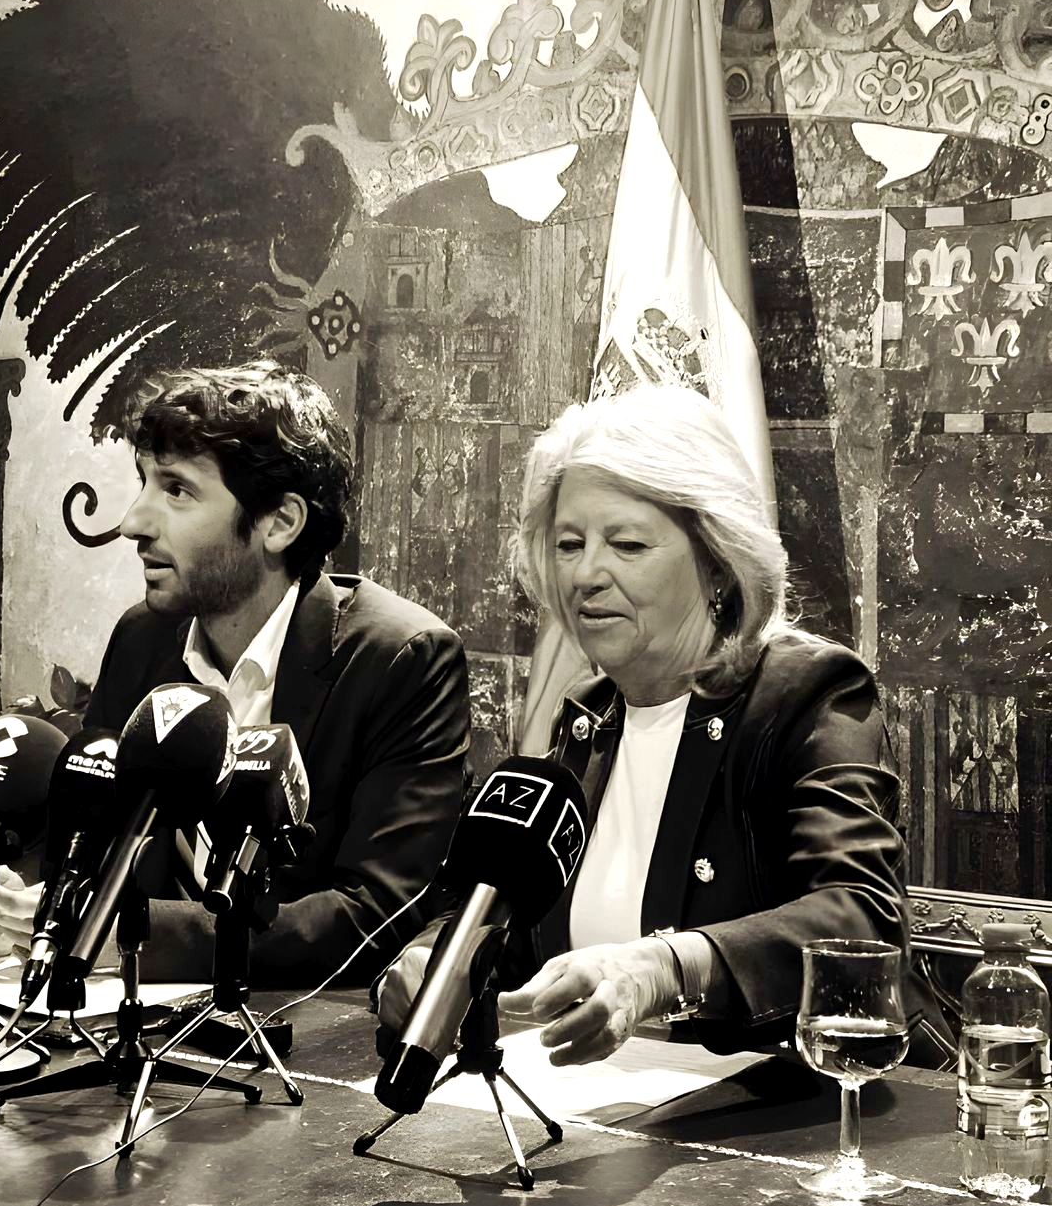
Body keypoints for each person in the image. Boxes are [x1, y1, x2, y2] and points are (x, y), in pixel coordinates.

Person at [376, 384, 936, 1063]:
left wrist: (666, 968)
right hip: (609, 1113)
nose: (586, 574)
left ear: (718, 563)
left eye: (628, 544)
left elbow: (861, 920)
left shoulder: (808, 693)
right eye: (569, 544)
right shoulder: (587, 718)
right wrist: (433, 962)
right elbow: (516, 928)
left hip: (812, 1103)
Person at [0, 361, 469, 985]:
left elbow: (373, 918)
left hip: (304, 1033)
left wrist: (129, 934)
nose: (134, 522)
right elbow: (93, 846)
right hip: (124, 1023)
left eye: (176, 490)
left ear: (280, 522)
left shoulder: (403, 658)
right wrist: (25, 903)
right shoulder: (141, 640)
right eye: (144, 483)